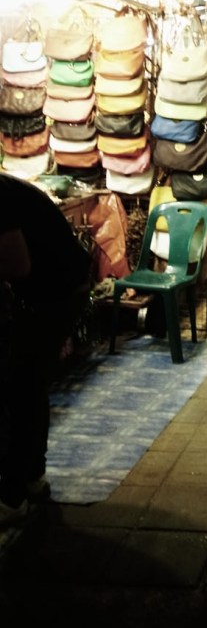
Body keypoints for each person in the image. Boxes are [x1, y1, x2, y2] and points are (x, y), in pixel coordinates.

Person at [0, 173, 92, 526]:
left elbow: (17, 265)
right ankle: (31, 478)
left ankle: (12, 494)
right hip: (58, 285)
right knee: (30, 384)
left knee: (20, 386)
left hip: (56, 291)